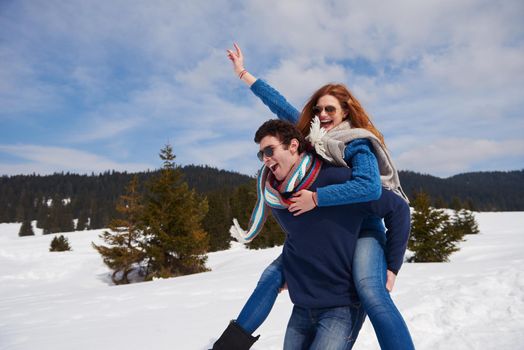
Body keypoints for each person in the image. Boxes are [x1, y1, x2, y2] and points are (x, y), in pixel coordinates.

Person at [213, 120, 411, 350]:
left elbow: (397, 208)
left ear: (293, 146)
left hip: (341, 307)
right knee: (269, 277)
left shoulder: (334, 179)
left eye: (270, 150)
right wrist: (288, 271)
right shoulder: (276, 197)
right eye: (261, 155)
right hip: (303, 307)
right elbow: (298, 235)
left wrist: (392, 266)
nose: (265, 158)